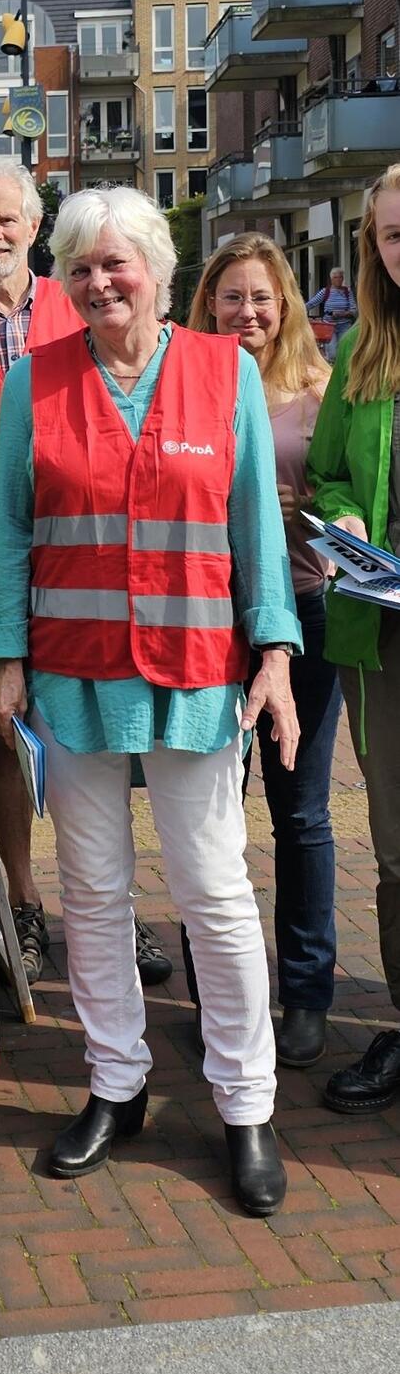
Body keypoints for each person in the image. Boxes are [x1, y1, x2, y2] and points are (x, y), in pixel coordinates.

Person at [0, 186, 301, 1217]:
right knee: (95, 893)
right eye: (79, 267)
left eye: (116, 263)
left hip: (199, 670)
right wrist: (3, 655)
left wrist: (277, 652)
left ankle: (246, 1104)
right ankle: (116, 1087)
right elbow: (12, 527)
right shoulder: (36, 381)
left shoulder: (223, 372)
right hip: (73, 674)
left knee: (212, 891)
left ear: (159, 269)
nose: (99, 281)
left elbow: (255, 525)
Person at [0, 157, 171, 990]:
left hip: (85, 551)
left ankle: (110, 907)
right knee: (2, 732)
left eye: (8, 219)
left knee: (104, 726)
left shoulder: (76, 301)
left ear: (35, 226)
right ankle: (27, 897)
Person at [187, 235, 340, 1067]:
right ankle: (214, 985)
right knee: (205, 811)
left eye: (262, 299)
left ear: (285, 309)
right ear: (208, 302)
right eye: (231, 297)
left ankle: (307, 991)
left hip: (306, 616)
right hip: (209, 620)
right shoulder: (188, 385)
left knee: (302, 811)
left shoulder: (319, 393)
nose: (247, 313)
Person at [307, 163, 400, 1114]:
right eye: (393, 236)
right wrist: (349, 521)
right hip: (384, 637)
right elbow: (327, 478)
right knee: (398, 848)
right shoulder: (364, 359)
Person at [306, 267, 357, 360]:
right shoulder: (325, 291)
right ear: (331, 279)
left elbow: (354, 310)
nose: (338, 279)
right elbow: (311, 304)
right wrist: (298, 311)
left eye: (340, 277)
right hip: (329, 326)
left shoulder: (347, 292)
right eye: (335, 277)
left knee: (344, 352)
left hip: (344, 326)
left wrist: (342, 314)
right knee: (332, 353)